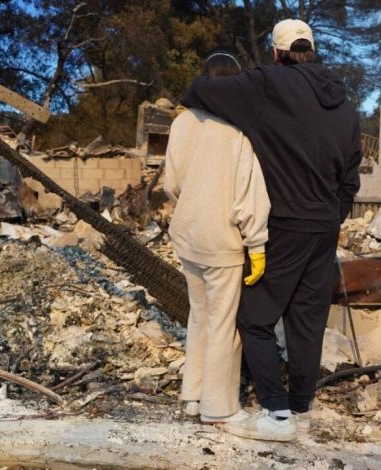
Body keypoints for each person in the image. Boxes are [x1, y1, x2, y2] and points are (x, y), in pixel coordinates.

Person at [181, 19, 362, 441]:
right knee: (306, 322)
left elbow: (199, 90)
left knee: (254, 318)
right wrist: (333, 215)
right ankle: (301, 412)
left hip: (281, 226)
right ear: (311, 51)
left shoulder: (268, 83)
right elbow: (351, 176)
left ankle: (276, 413)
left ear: (277, 53)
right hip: (323, 230)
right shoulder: (344, 101)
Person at [164, 48, 271, 424]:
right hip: (223, 242)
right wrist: (256, 243)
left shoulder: (180, 124)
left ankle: (192, 396)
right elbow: (249, 196)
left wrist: (191, 203)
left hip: (188, 236)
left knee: (199, 317)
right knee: (224, 324)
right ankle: (218, 408)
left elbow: (171, 185)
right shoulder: (236, 130)